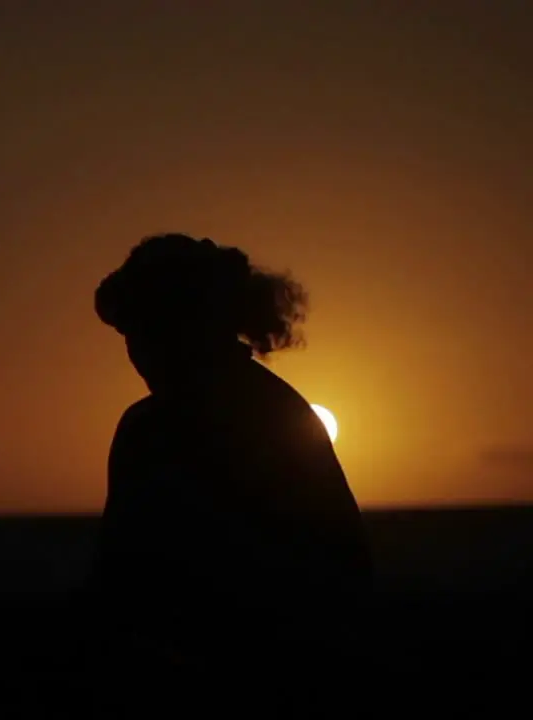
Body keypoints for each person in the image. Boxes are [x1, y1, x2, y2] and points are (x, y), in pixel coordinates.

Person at [87, 233, 372, 670]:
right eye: (132, 332)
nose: (139, 351)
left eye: (151, 328)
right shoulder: (152, 426)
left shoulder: (256, 421)